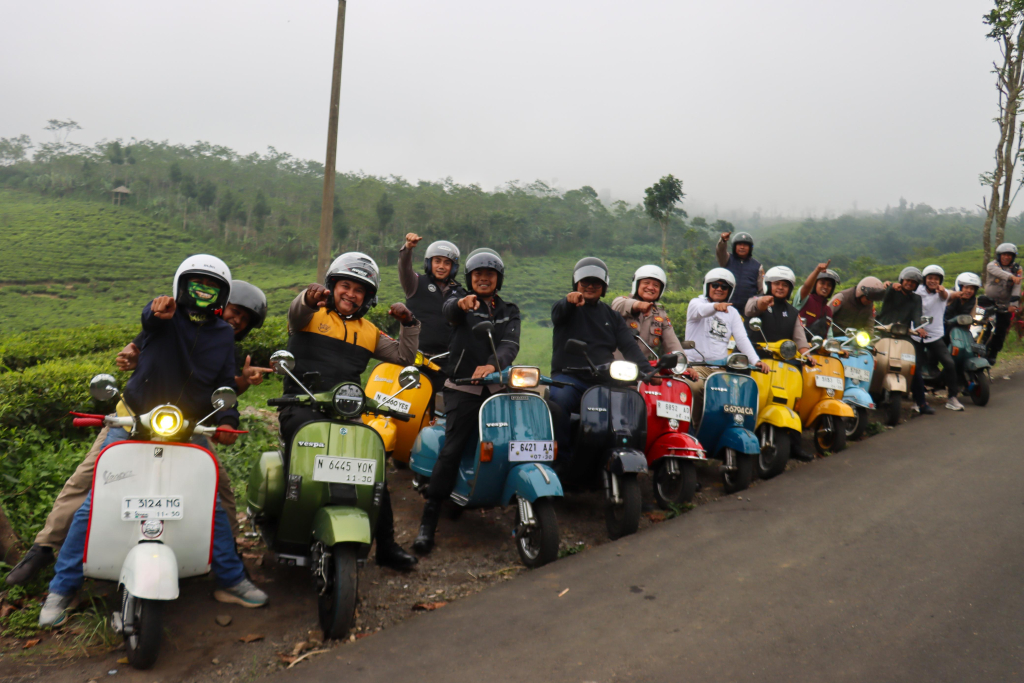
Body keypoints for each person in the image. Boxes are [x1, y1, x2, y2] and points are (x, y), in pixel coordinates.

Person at [39, 256, 268, 627]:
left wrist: (227, 418)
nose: (203, 293)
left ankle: (229, 579)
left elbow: (225, 383)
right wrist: (156, 308)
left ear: (220, 296)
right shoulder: (165, 318)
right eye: (196, 285)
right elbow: (149, 320)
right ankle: (62, 587)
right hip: (133, 421)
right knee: (94, 503)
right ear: (182, 286)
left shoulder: (223, 334)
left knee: (210, 503)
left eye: (211, 288)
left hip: (188, 427)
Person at [279, 252, 419, 572]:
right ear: (332, 287)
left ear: (367, 298)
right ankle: (286, 532)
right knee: (299, 467)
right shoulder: (310, 317)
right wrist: (308, 297)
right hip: (300, 408)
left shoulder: (369, 331)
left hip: (346, 413)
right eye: (345, 285)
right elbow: (296, 311)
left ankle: (386, 546)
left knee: (374, 467)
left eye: (360, 290)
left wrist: (409, 323)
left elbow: (404, 355)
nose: (351, 294)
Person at [412, 248, 520, 555]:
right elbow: (450, 311)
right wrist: (461, 303)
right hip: (462, 386)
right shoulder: (461, 302)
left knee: (511, 440)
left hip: (495, 386)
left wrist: (493, 364)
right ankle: (428, 522)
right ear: (470, 279)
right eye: (477, 275)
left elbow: (511, 344)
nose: (483, 279)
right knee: (453, 448)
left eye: (489, 275)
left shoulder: (509, 310)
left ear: (498, 279)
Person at [548, 257, 650, 465]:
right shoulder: (566, 308)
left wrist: (648, 372)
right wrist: (569, 301)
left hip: (603, 379)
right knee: (558, 402)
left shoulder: (611, 316)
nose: (590, 286)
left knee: (630, 406)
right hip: (569, 378)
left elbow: (629, 346)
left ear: (604, 286)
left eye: (596, 282)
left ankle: (616, 455)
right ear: (575, 284)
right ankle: (561, 462)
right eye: (585, 282)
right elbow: (557, 314)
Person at [743, 265, 813, 460]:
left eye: (784, 285)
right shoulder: (757, 301)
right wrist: (763, 302)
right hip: (758, 360)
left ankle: (795, 445)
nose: (780, 288)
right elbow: (750, 310)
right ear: (768, 285)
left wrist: (807, 354)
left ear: (790, 289)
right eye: (776, 284)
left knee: (793, 401)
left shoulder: (793, 312)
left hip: (785, 363)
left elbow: (800, 338)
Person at [683, 268, 768, 426]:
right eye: (715, 285)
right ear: (708, 286)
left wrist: (756, 361)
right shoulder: (696, 303)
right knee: (696, 388)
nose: (719, 289)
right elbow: (701, 311)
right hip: (696, 366)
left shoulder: (733, 313)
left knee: (735, 399)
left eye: (724, 287)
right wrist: (715, 307)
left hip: (720, 369)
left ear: (730, 291)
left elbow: (741, 339)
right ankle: (694, 428)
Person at [398, 234, 466, 411]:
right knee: (409, 409)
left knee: (440, 412)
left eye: (446, 262)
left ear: (453, 267)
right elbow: (404, 268)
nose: (441, 266)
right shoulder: (415, 283)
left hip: (445, 365)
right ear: (429, 262)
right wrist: (408, 249)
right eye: (437, 261)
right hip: (415, 361)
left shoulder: (460, 293)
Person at [877, 267, 930, 414]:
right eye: (908, 280)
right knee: (874, 361)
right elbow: (884, 296)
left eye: (914, 282)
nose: (910, 284)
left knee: (914, 366)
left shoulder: (916, 298)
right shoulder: (892, 290)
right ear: (902, 280)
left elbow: (917, 316)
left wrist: (920, 327)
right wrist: (890, 286)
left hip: (903, 335)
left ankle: (921, 403)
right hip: (883, 332)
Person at [915, 266, 962, 411]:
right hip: (916, 334)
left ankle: (952, 397)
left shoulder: (943, 293)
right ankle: (918, 400)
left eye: (936, 279)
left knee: (949, 364)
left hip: (934, 335)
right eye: (930, 278)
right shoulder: (917, 291)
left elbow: (946, 295)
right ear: (925, 279)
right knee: (915, 367)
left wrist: (944, 291)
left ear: (940, 280)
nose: (932, 281)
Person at [611, 265, 683, 359]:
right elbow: (619, 306)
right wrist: (639, 305)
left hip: (643, 369)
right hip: (615, 368)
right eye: (646, 283)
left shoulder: (660, 314)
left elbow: (672, 343)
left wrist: (684, 364)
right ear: (637, 285)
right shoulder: (622, 302)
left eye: (656, 285)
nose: (650, 287)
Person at [983, 242, 1022, 365]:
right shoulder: (992, 265)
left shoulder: (1018, 270)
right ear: (999, 256)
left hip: (1005, 305)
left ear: (1013, 257)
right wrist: (1011, 277)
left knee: (1001, 329)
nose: (1006, 257)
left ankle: (993, 353)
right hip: (988, 302)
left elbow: (1017, 287)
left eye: (1009, 255)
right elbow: (999, 273)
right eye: (1004, 254)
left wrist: (1014, 305)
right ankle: (978, 347)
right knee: (982, 326)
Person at [716, 230, 764, 314]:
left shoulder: (758, 266)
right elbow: (720, 251)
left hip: (747, 311)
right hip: (725, 308)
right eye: (739, 244)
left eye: (745, 245)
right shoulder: (726, 259)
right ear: (734, 246)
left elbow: (762, 290)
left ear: (750, 248)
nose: (742, 247)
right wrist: (723, 241)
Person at [795, 261, 841, 338]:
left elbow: (829, 337)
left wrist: (839, 348)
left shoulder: (828, 311)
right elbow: (806, 287)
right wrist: (817, 270)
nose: (825, 287)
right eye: (822, 283)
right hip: (799, 346)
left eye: (829, 285)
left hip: (818, 349)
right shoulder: (805, 299)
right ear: (815, 284)